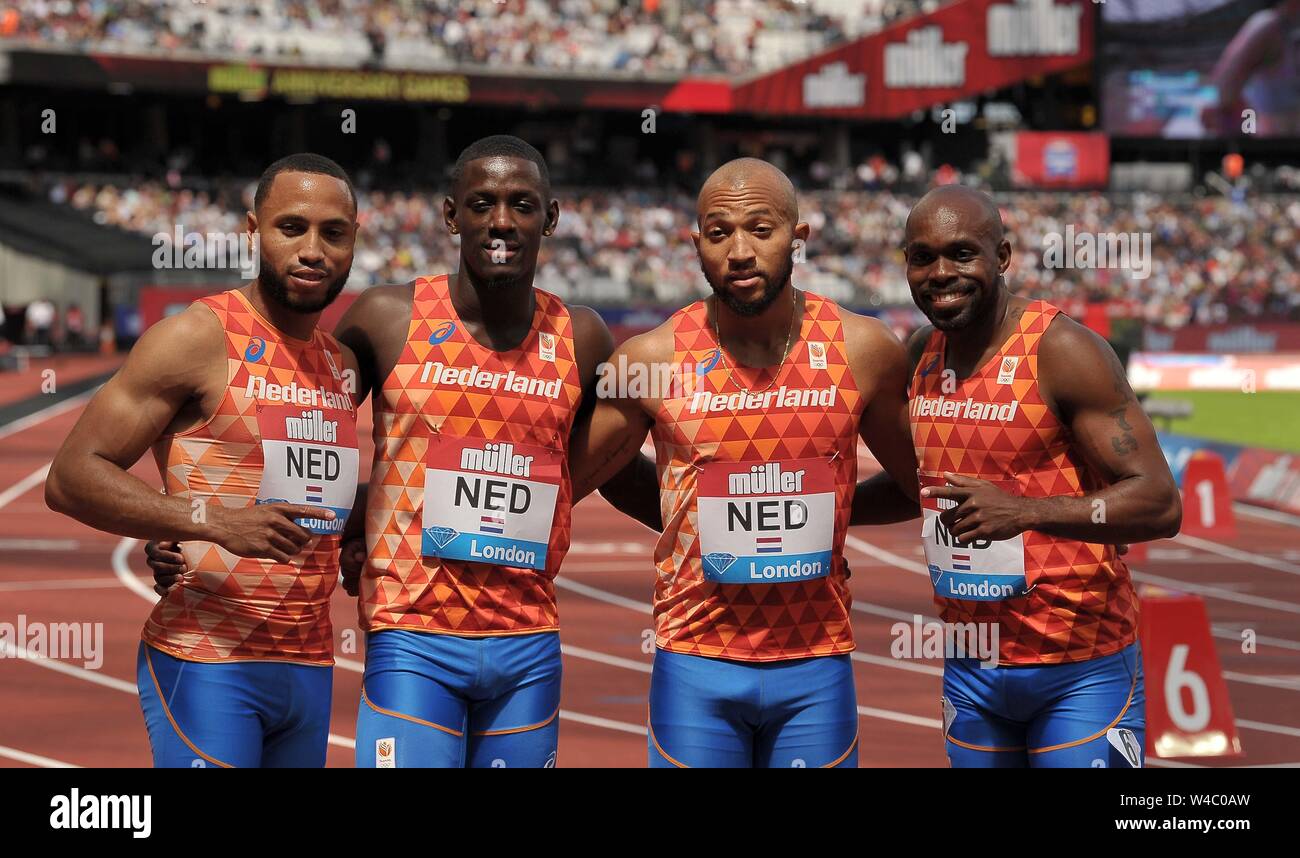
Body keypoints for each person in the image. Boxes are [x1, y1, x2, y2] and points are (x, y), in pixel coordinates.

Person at [568, 158, 922, 767]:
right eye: (718, 232)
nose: (739, 251)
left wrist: (828, 515)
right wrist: (684, 513)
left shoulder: (863, 351)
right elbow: (574, 477)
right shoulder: (651, 360)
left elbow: (923, 482)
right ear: (696, 244)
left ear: (799, 239)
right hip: (695, 662)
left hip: (814, 661)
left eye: (761, 229)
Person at [45, 153, 362, 767]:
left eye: (334, 232)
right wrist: (206, 521)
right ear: (252, 232)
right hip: (208, 658)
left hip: (309, 663)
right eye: (291, 227)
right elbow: (71, 476)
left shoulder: (341, 365)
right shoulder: (197, 338)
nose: (313, 250)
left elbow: (314, 497)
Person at [877, 185, 1181, 767]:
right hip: (972, 664)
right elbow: (917, 490)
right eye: (923, 257)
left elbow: (1160, 503)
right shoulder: (922, 352)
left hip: (1078, 665)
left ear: (1003, 257)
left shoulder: (1061, 351)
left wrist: (1026, 512)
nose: (941, 273)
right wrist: (822, 511)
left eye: (962, 254)